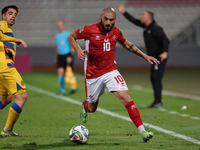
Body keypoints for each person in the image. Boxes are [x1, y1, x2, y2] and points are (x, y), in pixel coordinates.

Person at [68, 7, 160, 142]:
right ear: (101, 17)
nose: (108, 22)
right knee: (92, 107)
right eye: (106, 19)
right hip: (93, 74)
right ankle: (85, 106)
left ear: (115, 20)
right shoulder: (90, 30)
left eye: (111, 20)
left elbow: (127, 44)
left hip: (110, 70)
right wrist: (78, 50)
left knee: (126, 97)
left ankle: (143, 132)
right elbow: (71, 37)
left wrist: (144, 56)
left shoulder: (116, 32)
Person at [117, 4, 170, 108]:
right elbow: (134, 21)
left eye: (143, 15)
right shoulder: (146, 27)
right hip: (153, 57)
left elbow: (165, 40)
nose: (141, 16)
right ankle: (157, 101)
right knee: (153, 78)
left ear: (149, 18)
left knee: (156, 78)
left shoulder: (155, 28)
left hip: (159, 57)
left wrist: (165, 52)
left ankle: (158, 102)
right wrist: (123, 12)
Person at [0, 5, 28, 136]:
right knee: (21, 97)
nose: (13, 16)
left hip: (3, 68)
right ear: (3, 16)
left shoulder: (8, 30)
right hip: (6, 67)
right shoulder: (2, 25)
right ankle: (7, 130)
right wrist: (16, 39)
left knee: (6, 98)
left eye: (15, 14)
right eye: (10, 13)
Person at [55, 20, 78, 96]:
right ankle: (62, 91)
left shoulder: (67, 35)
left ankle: (74, 88)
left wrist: (70, 56)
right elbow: (58, 47)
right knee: (60, 74)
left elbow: (72, 46)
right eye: (58, 25)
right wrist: (56, 57)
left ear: (63, 25)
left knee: (69, 73)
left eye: (61, 25)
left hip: (67, 55)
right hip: (60, 56)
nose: (59, 26)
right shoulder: (57, 36)